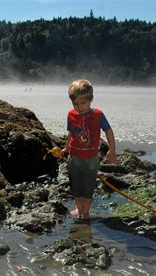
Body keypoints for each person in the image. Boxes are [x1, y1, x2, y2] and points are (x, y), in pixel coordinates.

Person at [61, 79, 117, 220]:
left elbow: (108, 131)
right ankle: (79, 208)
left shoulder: (97, 115)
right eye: (75, 104)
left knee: (88, 186)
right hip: (74, 157)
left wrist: (112, 150)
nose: (79, 107)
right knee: (75, 185)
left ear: (90, 100)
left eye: (83, 103)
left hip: (91, 159)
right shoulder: (71, 114)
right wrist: (67, 147)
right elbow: (71, 133)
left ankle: (85, 211)